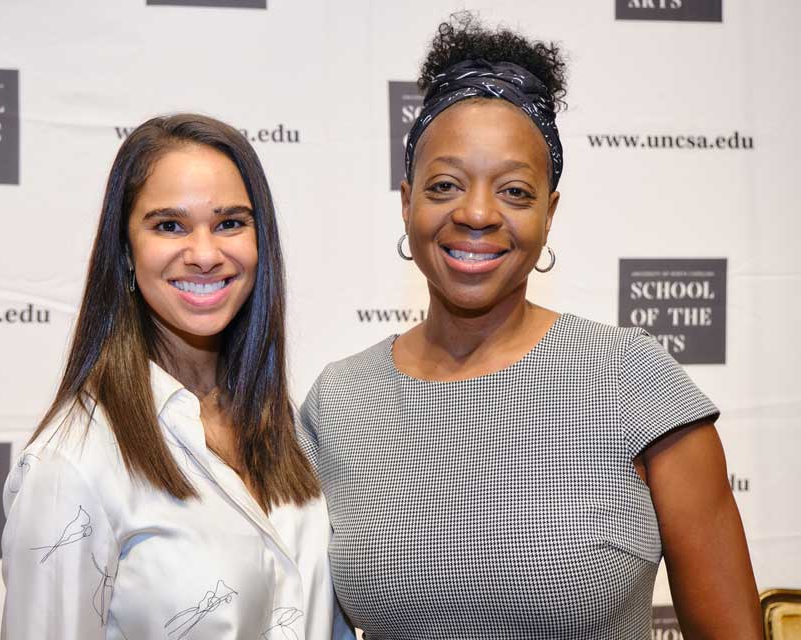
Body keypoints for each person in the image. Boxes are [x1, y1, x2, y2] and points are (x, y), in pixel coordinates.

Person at [300, 14, 761, 640]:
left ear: (550, 212)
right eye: (445, 185)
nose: (478, 213)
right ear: (406, 201)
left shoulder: (632, 379)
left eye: (515, 191)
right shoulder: (340, 403)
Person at [1, 114, 353, 640]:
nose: (206, 253)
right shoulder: (72, 462)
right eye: (170, 225)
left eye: (230, 222)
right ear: (125, 252)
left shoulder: (286, 430)